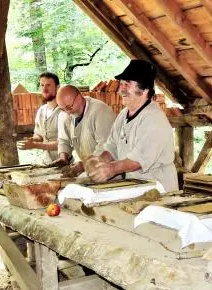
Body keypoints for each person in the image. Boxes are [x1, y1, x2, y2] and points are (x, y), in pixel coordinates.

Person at [85, 59, 179, 192]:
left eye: (127, 84)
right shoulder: (123, 115)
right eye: (121, 84)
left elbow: (137, 160)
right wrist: (99, 161)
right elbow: (112, 147)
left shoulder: (154, 119)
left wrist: (111, 169)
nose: (121, 89)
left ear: (145, 89)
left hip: (159, 191)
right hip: (137, 188)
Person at [55, 85, 115, 177]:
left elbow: (106, 148)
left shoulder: (100, 112)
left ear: (79, 98)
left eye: (69, 107)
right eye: (63, 109)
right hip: (89, 173)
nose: (67, 112)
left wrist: (84, 165)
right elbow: (64, 140)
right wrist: (63, 158)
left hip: (108, 173)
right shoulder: (66, 114)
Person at [17, 72, 65, 165]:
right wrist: (32, 140)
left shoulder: (64, 111)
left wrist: (34, 145)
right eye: (42, 85)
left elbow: (63, 143)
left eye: (48, 85)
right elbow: (39, 134)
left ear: (57, 87)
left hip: (64, 163)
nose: (44, 89)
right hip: (46, 163)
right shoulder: (41, 110)